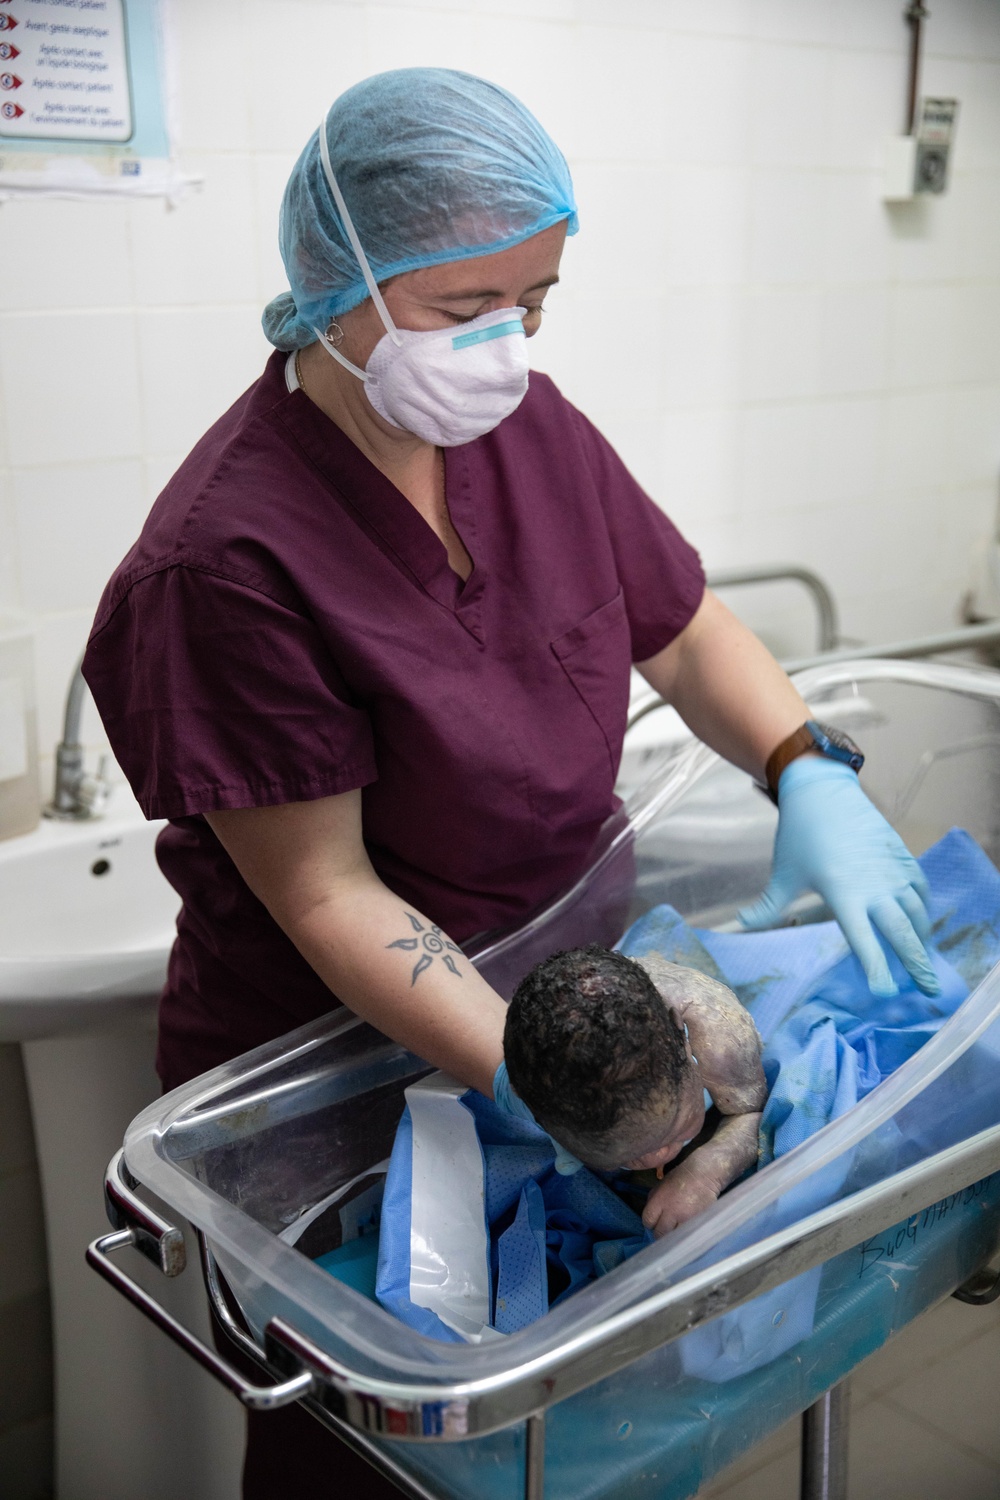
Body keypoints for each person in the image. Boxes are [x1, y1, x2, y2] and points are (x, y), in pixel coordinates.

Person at [82, 66, 939, 1498]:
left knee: (579, 1436)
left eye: (534, 302)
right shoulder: (226, 561)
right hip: (334, 1082)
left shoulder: (525, 432)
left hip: (574, 992)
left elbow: (683, 625)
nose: (506, 345)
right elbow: (329, 890)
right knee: (384, 1456)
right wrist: (562, 1088)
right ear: (336, 279)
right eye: (460, 309)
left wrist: (808, 771)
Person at [501, 946, 766, 1238]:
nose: (656, 1159)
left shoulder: (718, 1038)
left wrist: (703, 1174)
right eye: (626, 1158)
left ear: (683, 1040)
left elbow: (753, 1113)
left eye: (676, 1130)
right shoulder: (529, 1088)